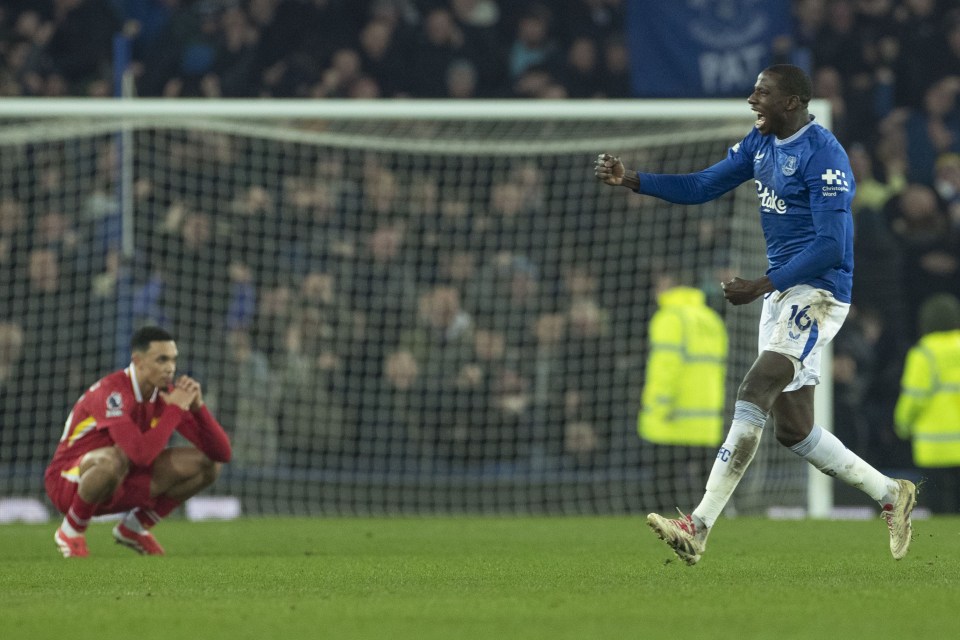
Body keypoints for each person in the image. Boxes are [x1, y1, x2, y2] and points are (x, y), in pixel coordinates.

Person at [595, 64, 916, 565]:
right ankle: (891, 495)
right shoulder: (760, 143)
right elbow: (703, 186)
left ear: (791, 102)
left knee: (754, 387)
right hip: (782, 291)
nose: (751, 99)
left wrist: (764, 283)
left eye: (762, 92)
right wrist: (632, 179)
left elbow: (833, 244)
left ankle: (697, 526)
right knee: (795, 430)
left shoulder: (825, 155)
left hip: (818, 291)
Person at [44, 326, 232, 558]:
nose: (170, 368)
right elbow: (138, 454)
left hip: (121, 480)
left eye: (173, 360)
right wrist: (174, 409)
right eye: (162, 360)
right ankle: (71, 531)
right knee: (116, 457)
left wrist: (198, 408)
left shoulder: (165, 395)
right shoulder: (112, 393)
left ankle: (134, 527)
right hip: (70, 482)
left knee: (209, 464)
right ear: (138, 361)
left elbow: (222, 453)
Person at [638, 271, 728, 512]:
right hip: (706, 422)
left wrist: (657, 406)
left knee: (664, 495)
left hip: (673, 419)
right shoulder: (711, 319)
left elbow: (665, 368)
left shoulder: (670, 317)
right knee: (702, 493)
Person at [894, 293, 960, 514]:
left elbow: (914, 398)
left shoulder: (924, 354)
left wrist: (901, 425)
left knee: (941, 515)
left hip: (935, 449)